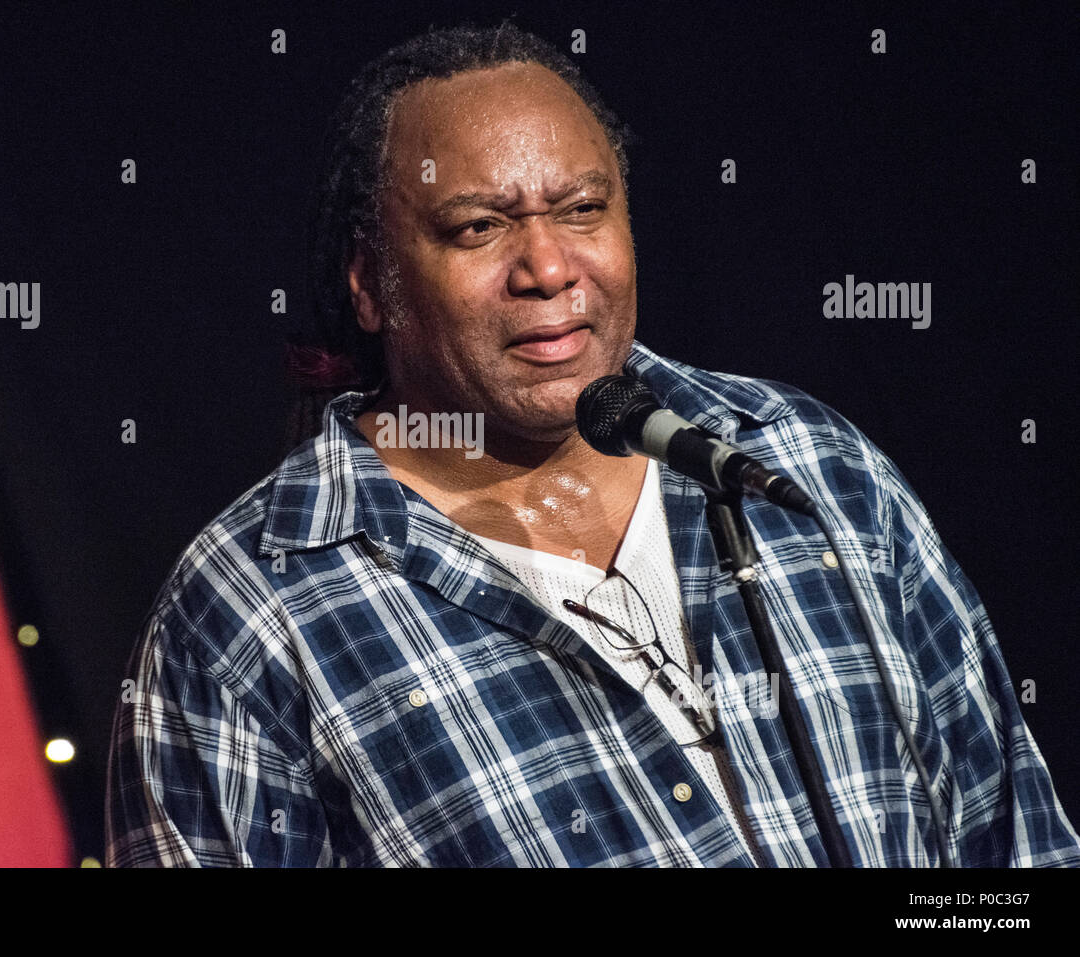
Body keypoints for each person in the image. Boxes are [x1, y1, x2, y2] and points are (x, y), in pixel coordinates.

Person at [105, 21, 1079, 867]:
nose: (548, 267)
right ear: (370, 284)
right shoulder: (252, 612)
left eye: (582, 210)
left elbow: (1012, 850)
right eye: (478, 227)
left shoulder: (809, 465)